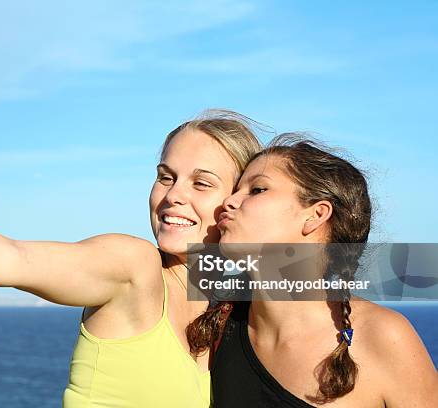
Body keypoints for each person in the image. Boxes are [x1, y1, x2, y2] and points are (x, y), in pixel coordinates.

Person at [0, 110, 263, 407]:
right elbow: (16, 259)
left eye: (202, 183)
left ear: (237, 200)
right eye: (165, 177)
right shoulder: (133, 267)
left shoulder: (228, 285)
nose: (173, 195)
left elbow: (325, 272)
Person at [187, 135, 438, 407]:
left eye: (257, 190)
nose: (228, 202)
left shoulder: (385, 338)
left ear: (315, 215)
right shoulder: (213, 324)